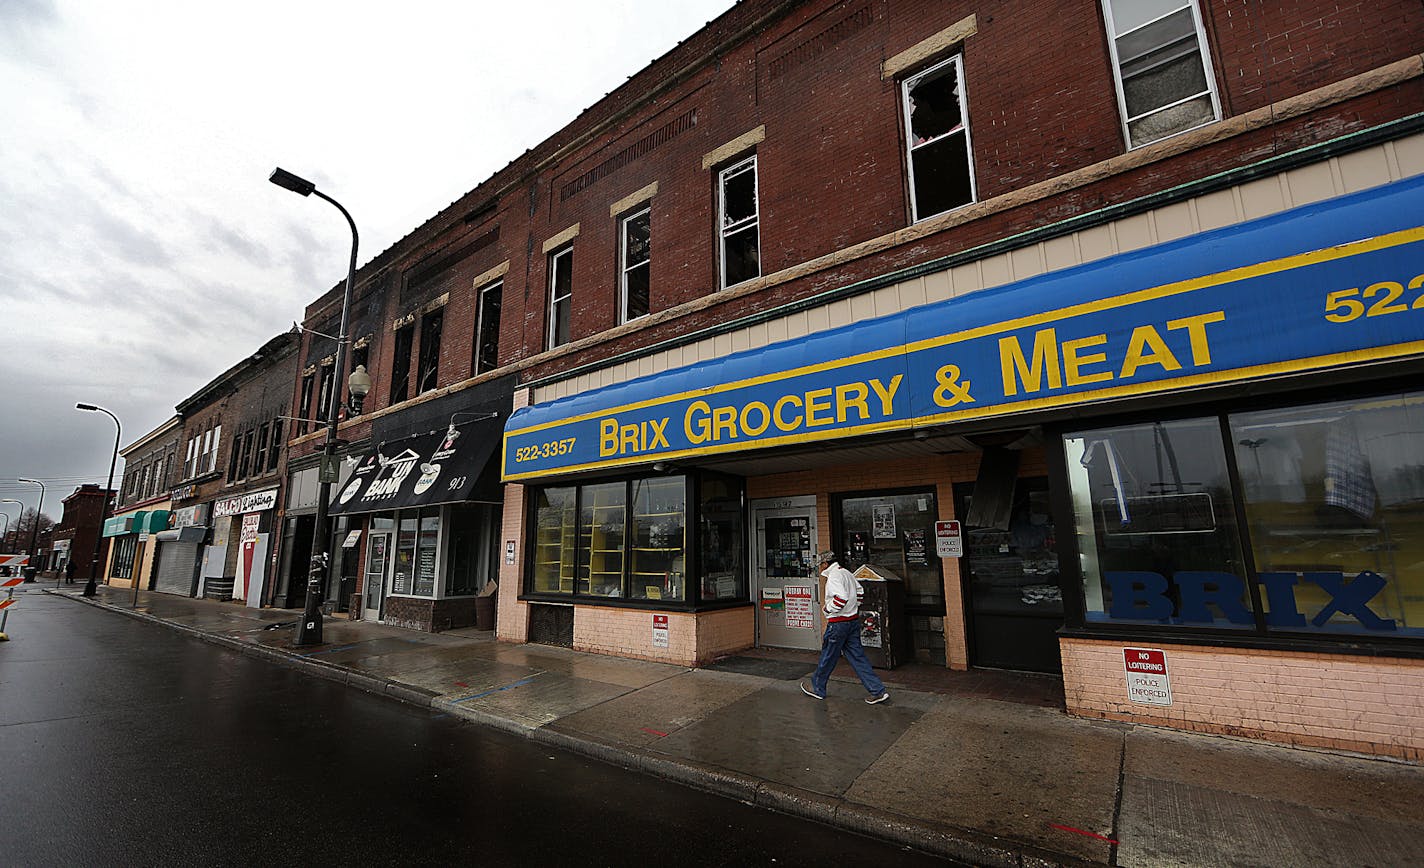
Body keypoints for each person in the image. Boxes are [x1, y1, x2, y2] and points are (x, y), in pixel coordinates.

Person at [801, 550, 890, 704]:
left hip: (838, 624)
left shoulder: (834, 577)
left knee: (828, 656)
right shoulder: (847, 573)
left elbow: (840, 597)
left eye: (820, 565)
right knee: (858, 657)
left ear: (825, 564)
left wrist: (828, 609)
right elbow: (860, 591)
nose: (820, 568)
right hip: (852, 621)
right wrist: (853, 607)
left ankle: (817, 688)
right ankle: (877, 690)